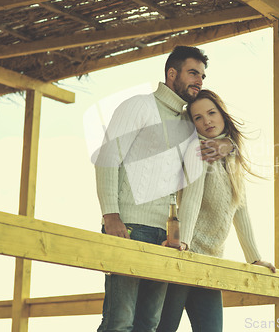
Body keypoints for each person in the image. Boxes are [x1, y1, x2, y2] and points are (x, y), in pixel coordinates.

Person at [95, 47, 234, 332]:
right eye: (193, 73)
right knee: (119, 321)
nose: (200, 81)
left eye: (203, 76)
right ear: (172, 74)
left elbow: (214, 146)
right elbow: (108, 158)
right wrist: (111, 215)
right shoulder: (139, 106)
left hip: (165, 237)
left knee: (149, 324)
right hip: (129, 227)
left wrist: (228, 145)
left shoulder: (189, 124)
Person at [157, 90, 276, 332]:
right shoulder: (198, 151)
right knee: (163, 329)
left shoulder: (232, 156)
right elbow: (190, 199)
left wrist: (254, 258)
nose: (207, 121)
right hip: (186, 256)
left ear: (223, 114)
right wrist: (185, 244)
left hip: (212, 263)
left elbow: (239, 209)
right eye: (198, 118)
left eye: (211, 113)